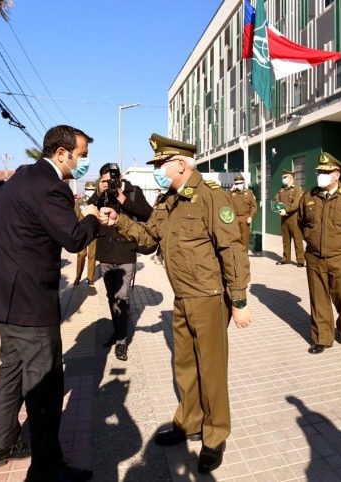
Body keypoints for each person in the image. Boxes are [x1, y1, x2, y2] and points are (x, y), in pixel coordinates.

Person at [0, 125, 113, 482]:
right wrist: (93, 219)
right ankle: (48, 467)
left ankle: (2, 445)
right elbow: (72, 238)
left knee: (10, 372)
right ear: (61, 153)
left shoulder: (23, 177)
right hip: (28, 302)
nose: (84, 162)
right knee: (45, 386)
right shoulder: (49, 186)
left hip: (3, 297)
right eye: (82, 156)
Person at [110, 133, 251, 473]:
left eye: (161, 164)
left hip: (208, 297)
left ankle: (215, 435)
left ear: (182, 164)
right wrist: (121, 221)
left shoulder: (210, 197)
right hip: (182, 297)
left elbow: (231, 249)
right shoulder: (167, 201)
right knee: (184, 366)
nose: (158, 169)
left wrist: (239, 299)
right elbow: (148, 240)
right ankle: (189, 422)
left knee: (212, 371)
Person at [298, 153, 341, 354]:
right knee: (319, 299)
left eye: (326, 172)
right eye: (319, 171)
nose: (321, 175)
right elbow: (301, 223)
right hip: (314, 257)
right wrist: (313, 242)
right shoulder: (308, 197)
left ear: (336, 175)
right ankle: (322, 338)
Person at [88, 162, 153, 361]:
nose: (111, 183)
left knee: (122, 297)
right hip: (106, 252)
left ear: (120, 177)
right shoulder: (101, 194)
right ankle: (117, 331)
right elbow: (89, 209)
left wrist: (121, 198)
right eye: (106, 180)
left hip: (126, 251)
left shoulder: (133, 191)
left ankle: (122, 341)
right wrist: (99, 193)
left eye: (113, 179)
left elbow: (148, 213)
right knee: (111, 295)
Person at [274, 169, 305, 266]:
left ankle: (300, 260)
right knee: (285, 240)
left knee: (297, 240)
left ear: (291, 177)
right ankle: (286, 258)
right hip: (284, 218)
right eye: (283, 177)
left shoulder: (297, 189)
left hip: (294, 218)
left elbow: (296, 204)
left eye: (285, 177)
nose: (283, 179)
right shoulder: (282, 189)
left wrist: (285, 210)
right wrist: (279, 209)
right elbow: (276, 200)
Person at [73, 181, 98, 286]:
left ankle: (90, 278)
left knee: (92, 254)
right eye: (88, 189)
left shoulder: (97, 201)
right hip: (81, 231)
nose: (90, 192)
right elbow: (75, 217)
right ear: (85, 189)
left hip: (93, 231)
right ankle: (78, 276)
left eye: (92, 190)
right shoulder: (79, 202)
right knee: (81, 254)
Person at [229, 173, 257, 249]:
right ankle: (237, 256)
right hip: (234, 219)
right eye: (237, 183)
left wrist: (251, 217)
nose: (239, 184)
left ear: (243, 182)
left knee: (245, 239)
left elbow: (254, 206)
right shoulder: (231, 194)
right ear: (234, 184)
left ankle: (244, 257)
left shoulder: (249, 193)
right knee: (235, 238)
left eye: (241, 183)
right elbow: (224, 201)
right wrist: (230, 191)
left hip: (245, 218)